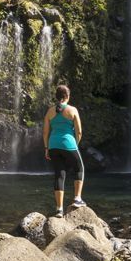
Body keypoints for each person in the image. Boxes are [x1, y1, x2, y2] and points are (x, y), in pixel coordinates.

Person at [43, 84, 86, 217]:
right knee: (79, 168)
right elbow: (79, 131)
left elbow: (45, 132)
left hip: (53, 145)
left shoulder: (50, 111)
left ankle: (59, 209)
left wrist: (46, 148)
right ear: (67, 96)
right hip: (68, 144)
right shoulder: (72, 110)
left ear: (56, 97)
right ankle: (77, 198)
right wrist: (75, 144)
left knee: (59, 175)